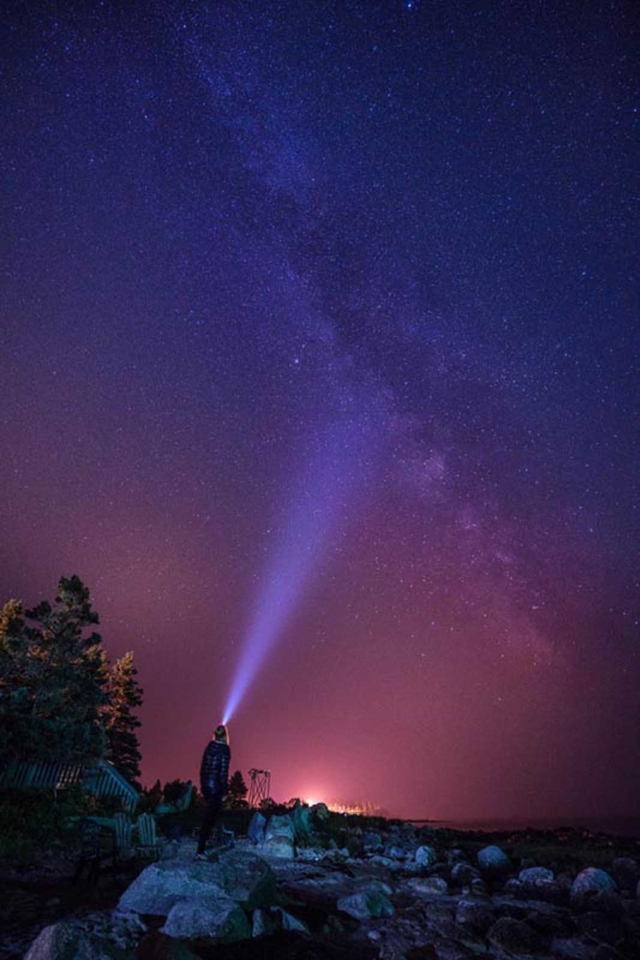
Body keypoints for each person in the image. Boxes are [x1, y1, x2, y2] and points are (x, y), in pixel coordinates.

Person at [196, 723, 230, 858]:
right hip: (217, 788)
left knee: (210, 817)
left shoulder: (208, 747)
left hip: (206, 786)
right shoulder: (225, 749)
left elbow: (202, 768)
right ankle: (201, 850)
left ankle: (204, 846)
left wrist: (203, 785)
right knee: (210, 819)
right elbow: (223, 772)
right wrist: (225, 791)